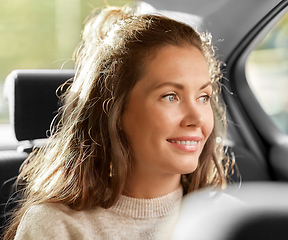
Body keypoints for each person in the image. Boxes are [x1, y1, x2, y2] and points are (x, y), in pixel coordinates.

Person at [3, 3, 231, 239]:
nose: (197, 118)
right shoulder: (55, 227)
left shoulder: (232, 220)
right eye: (170, 96)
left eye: (203, 97)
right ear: (116, 110)